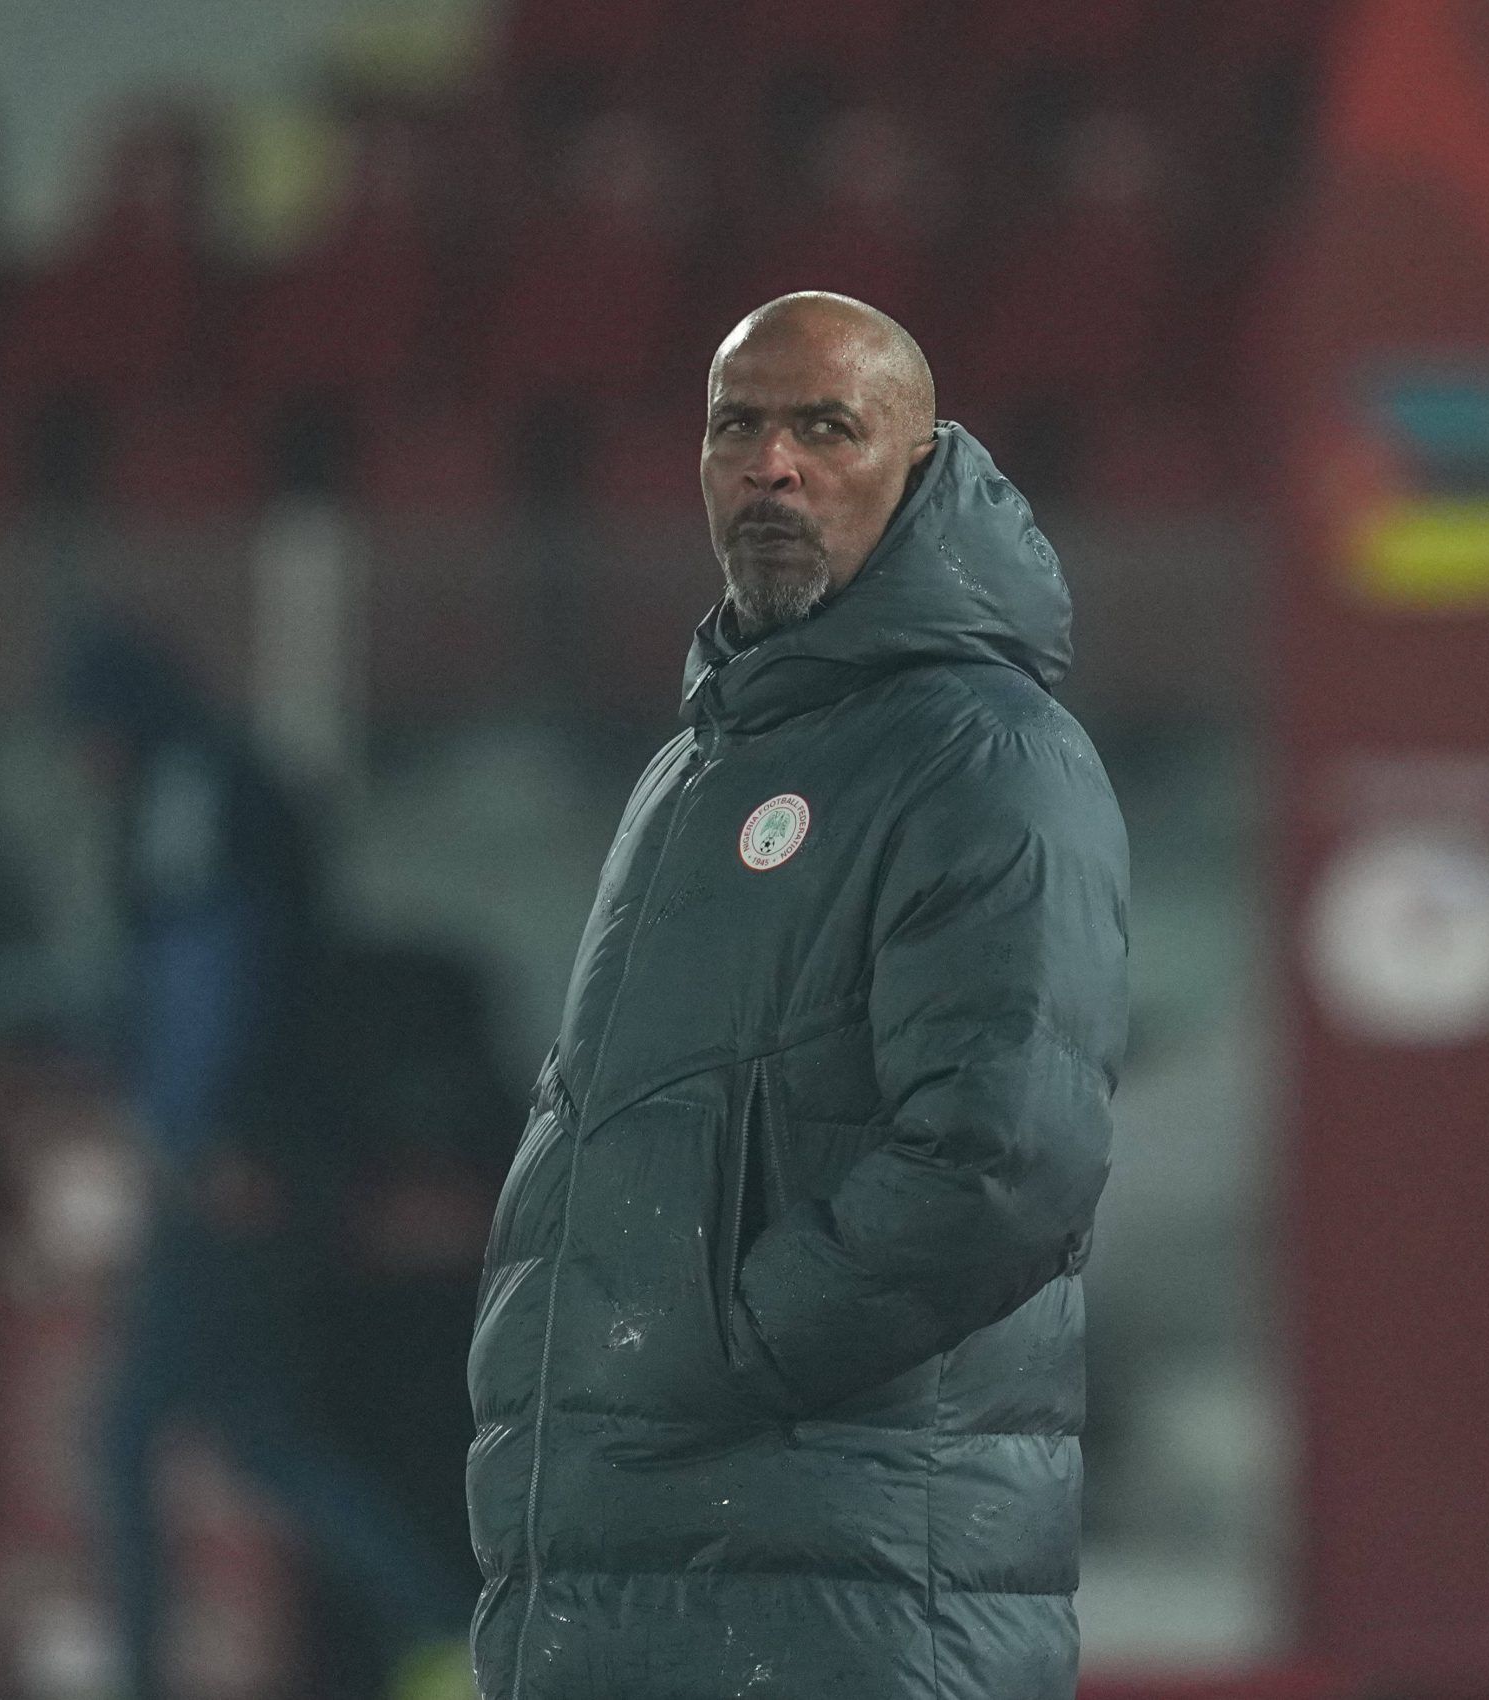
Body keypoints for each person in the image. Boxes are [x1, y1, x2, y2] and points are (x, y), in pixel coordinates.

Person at [466, 293, 1130, 1699]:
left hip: (843, 1602)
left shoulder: (988, 755)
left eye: (825, 427)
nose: (771, 464)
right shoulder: (694, 765)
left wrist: (723, 1346)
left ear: (919, 462)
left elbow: (1002, 1161)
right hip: (658, 1580)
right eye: (737, 427)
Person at [60, 623, 471, 1700]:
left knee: (150, 1432)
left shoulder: (194, 793)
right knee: (251, 1435)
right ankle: (450, 1625)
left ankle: (447, 1626)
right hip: (258, 1154)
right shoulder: (215, 780)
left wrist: (202, 1133)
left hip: (239, 1165)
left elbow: (215, 971)